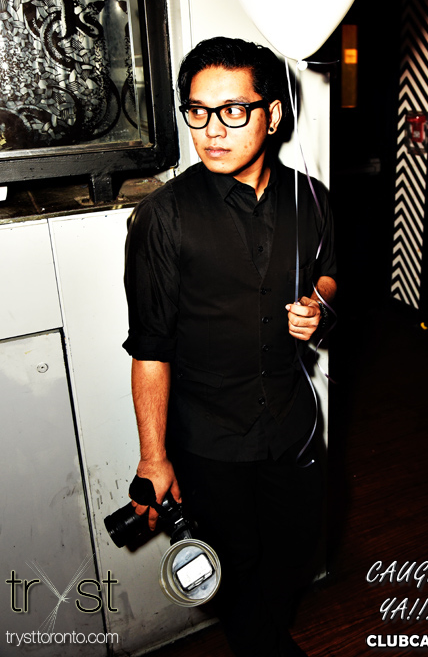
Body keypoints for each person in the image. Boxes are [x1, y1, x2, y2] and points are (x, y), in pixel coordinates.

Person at [122, 37, 337, 657]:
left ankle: (269, 630)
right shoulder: (162, 218)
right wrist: (154, 457)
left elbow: (330, 271)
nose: (212, 130)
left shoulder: (311, 197)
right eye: (197, 111)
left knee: (297, 546)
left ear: (273, 114)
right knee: (232, 567)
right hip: (211, 439)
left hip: (293, 425)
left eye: (233, 111)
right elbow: (150, 348)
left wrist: (319, 304)